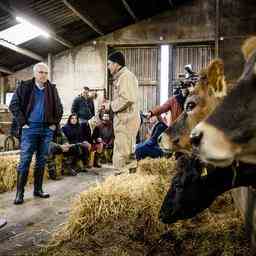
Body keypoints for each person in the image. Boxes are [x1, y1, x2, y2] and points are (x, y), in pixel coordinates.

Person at [9, 62, 63, 204]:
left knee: (41, 160)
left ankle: (38, 190)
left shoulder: (52, 89)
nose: (44, 75)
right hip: (30, 129)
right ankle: (19, 193)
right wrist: (23, 123)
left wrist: (53, 124)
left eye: (46, 73)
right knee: (25, 160)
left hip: (46, 130)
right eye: (41, 72)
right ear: (34, 73)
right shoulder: (25, 87)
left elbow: (59, 108)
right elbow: (13, 105)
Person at [104, 51, 140, 170]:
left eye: (109, 64)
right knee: (128, 155)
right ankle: (129, 182)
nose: (108, 67)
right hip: (126, 120)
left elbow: (127, 98)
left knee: (121, 155)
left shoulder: (125, 77)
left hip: (125, 121)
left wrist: (110, 105)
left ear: (116, 64)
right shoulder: (123, 77)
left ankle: (119, 181)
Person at [135, 86, 189, 160]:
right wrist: (151, 113)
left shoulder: (192, 100)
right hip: (176, 132)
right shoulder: (174, 100)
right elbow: (162, 108)